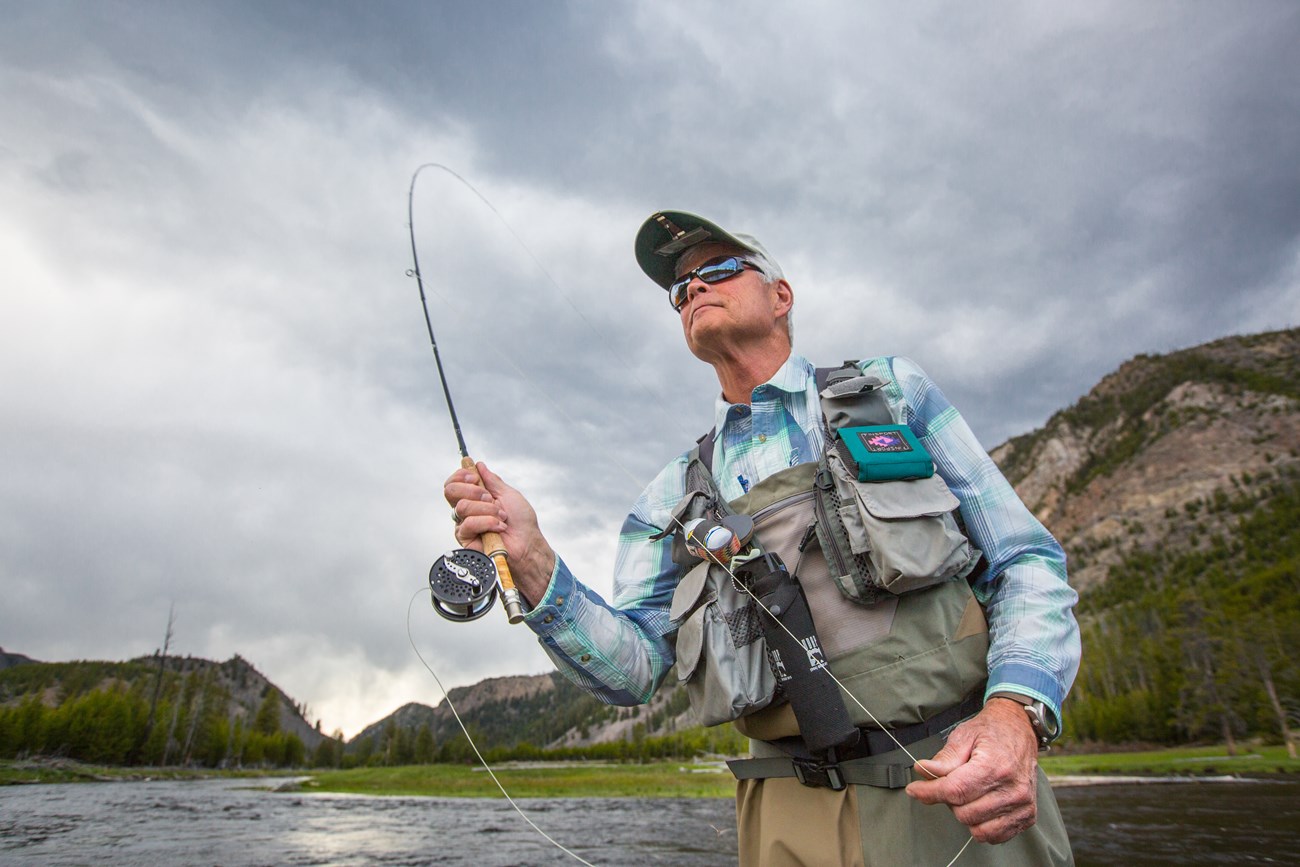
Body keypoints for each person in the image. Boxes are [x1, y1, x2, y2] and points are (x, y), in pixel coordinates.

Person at [445, 211, 1080, 866]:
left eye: (718, 268)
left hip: (959, 788)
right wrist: (535, 562)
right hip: (782, 818)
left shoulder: (891, 392)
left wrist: (1013, 713)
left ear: (782, 295)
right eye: (679, 288)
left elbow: (1022, 558)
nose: (693, 288)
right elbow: (632, 668)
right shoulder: (667, 498)